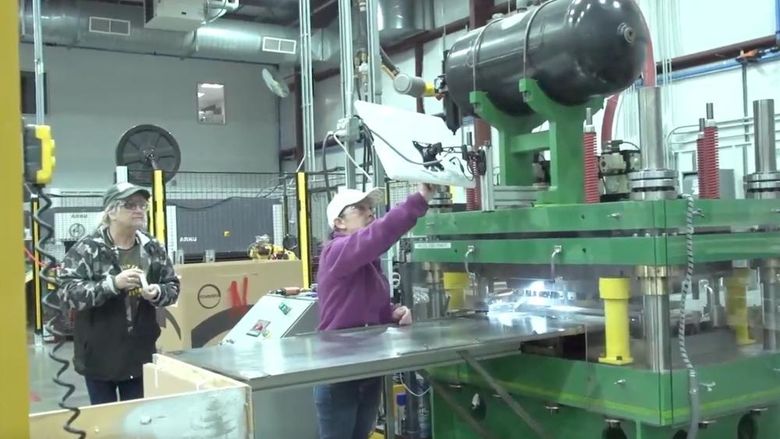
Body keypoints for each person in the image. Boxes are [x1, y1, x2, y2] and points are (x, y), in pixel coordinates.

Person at [314, 183, 434, 439]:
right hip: (340, 372)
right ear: (339, 223)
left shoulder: (367, 262)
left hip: (366, 368)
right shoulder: (335, 252)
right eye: (360, 208)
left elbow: (366, 305)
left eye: (371, 208)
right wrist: (418, 200)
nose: (370, 213)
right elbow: (379, 234)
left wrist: (391, 313)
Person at [57, 182, 180, 405]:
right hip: (99, 354)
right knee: (106, 422)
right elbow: (67, 293)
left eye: (142, 205)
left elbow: (172, 286)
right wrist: (112, 284)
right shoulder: (88, 249)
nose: (139, 210)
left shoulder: (152, 247)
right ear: (111, 211)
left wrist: (157, 293)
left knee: (138, 419)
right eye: (130, 205)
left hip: (140, 352)